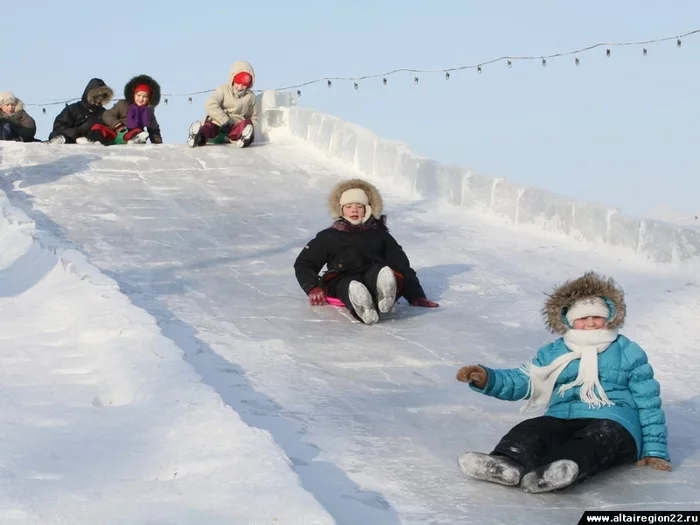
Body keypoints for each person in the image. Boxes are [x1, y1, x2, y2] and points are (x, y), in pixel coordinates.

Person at [456, 271, 671, 493]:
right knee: (533, 428)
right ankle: (505, 462)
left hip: (615, 420)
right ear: (569, 320)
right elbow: (524, 379)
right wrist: (487, 378)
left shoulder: (627, 351)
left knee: (597, 438)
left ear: (610, 316)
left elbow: (648, 402)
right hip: (563, 416)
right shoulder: (555, 352)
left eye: (597, 317)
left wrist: (654, 451)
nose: (590, 324)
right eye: (582, 318)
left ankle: (559, 470)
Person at [294, 178, 439, 325]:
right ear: (340, 209)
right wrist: (313, 287)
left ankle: (385, 293)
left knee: (383, 271)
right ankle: (362, 306)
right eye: (349, 206)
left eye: (359, 206)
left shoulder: (380, 235)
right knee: (348, 284)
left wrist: (416, 295)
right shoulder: (328, 236)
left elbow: (401, 264)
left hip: (373, 275)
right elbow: (304, 263)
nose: (354, 210)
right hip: (342, 277)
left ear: (368, 209)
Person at [186, 60, 257, 148]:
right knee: (209, 128)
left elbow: (253, 117)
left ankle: (245, 138)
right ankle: (198, 136)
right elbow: (210, 104)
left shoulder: (250, 97)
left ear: (249, 84)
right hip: (217, 123)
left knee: (247, 123)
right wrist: (225, 120)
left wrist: (251, 128)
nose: (240, 87)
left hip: (234, 129)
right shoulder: (223, 89)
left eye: (243, 85)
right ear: (232, 79)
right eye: (237, 83)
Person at [48, 78, 114, 144]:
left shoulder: (103, 113)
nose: (99, 99)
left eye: (102, 97)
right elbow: (59, 126)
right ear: (90, 95)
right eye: (96, 96)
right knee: (56, 134)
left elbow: (109, 129)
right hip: (71, 138)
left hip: (92, 139)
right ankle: (62, 139)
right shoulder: (73, 108)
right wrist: (75, 133)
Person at [103, 74, 163, 144]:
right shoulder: (123, 104)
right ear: (133, 95)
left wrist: (158, 144)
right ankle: (95, 142)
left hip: (134, 133)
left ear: (149, 98)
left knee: (138, 132)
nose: (141, 99)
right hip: (117, 131)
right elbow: (107, 114)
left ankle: (136, 140)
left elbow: (154, 130)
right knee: (99, 128)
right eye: (139, 95)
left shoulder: (148, 111)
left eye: (145, 97)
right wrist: (116, 124)